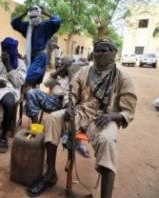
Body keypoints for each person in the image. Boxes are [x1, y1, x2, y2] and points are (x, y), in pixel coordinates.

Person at [27, 39, 137, 197]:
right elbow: (71, 93)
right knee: (53, 119)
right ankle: (50, 174)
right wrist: (69, 106)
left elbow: (128, 110)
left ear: (113, 53)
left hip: (105, 118)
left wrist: (112, 115)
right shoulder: (84, 72)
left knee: (107, 141)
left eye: (104, 50)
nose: (99, 53)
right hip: (81, 111)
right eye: (97, 50)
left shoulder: (123, 78)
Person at [11, 5, 61, 88]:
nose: (33, 19)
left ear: (39, 15)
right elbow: (14, 22)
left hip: (40, 58)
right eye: (31, 17)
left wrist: (45, 12)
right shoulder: (27, 26)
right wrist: (24, 13)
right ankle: (30, 97)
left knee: (26, 78)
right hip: (30, 57)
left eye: (35, 16)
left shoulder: (45, 26)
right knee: (32, 83)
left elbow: (57, 21)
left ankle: (26, 96)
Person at [25, 56, 73, 124]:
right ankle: (35, 125)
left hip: (67, 104)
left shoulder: (75, 77)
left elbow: (73, 88)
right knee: (31, 92)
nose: (64, 67)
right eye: (62, 64)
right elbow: (46, 84)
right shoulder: (58, 74)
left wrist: (69, 72)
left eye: (67, 65)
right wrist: (59, 71)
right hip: (53, 101)